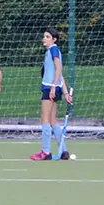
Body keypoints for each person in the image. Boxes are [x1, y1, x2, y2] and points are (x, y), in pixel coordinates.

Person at [32, 27, 71, 161]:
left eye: (47, 37)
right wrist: (65, 92)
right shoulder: (51, 51)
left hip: (50, 88)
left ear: (54, 39)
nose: (44, 39)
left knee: (45, 119)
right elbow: (59, 73)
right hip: (55, 87)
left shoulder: (53, 49)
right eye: (44, 36)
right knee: (53, 120)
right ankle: (64, 151)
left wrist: (53, 87)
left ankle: (46, 152)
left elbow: (59, 68)